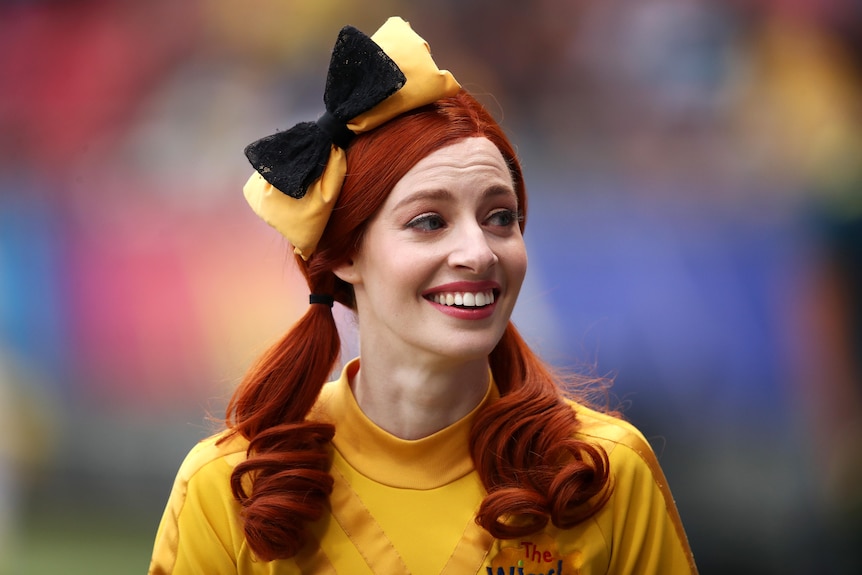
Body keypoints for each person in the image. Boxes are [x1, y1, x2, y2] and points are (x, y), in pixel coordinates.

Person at [148, 17, 697, 575]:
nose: (479, 252)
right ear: (344, 255)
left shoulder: (602, 473)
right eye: (430, 221)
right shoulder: (230, 487)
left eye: (500, 217)